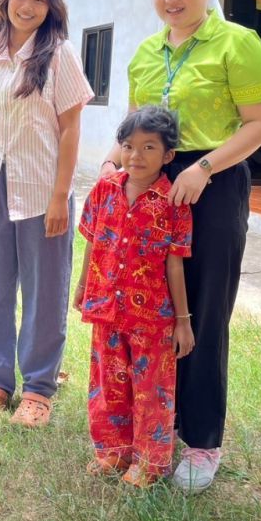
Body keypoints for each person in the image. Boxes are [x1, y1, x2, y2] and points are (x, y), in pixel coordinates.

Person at [100, 0, 261, 492]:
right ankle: (157, 423)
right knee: (153, 309)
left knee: (202, 310)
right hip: (149, 188)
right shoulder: (145, 53)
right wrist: (111, 165)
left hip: (213, 185)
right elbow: (133, 130)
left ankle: (201, 440)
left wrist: (203, 167)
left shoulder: (237, 43)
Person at [0, 0, 93, 427]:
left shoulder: (60, 54)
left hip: (40, 186)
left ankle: (37, 388)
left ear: (52, 6)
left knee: (44, 290)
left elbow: (70, 128)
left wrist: (60, 196)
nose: (27, 6)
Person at [74, 106, 194, 487]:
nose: (135, 156)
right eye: (128, 146)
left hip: (153, 318)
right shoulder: (104, 191)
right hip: (106, 307)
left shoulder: (174, 203)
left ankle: (149, 461)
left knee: (151, 389)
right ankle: (113, 450)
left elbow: (175, 264)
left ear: (168, 156)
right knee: (108, 382)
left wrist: (183, 321)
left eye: (148, 147)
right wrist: (83, 286)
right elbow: (92, 243)